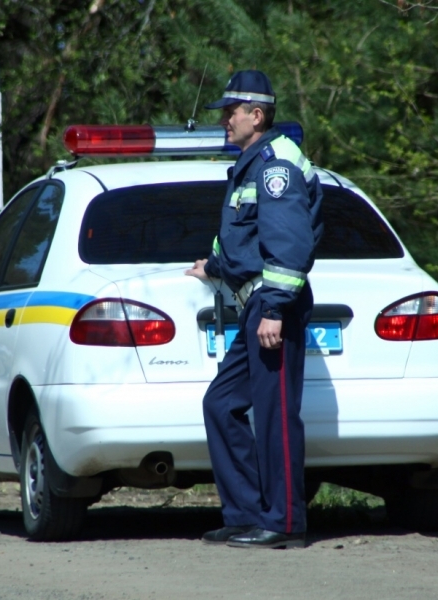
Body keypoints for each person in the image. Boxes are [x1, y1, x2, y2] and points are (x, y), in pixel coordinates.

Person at [186, 70, 323, 549]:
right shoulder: (251, 164)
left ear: (257, 115)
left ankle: (285, 523)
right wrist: (217, 267)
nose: (225, 119)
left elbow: (288, 242)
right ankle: (245, 515)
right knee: (221, 404)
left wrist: (276, 308)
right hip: (256, 304)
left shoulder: (274, 164)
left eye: (231, 111)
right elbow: (251, 241)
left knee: (274, 416)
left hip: (271, 306)